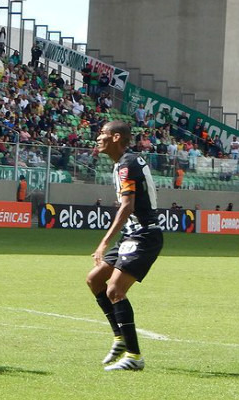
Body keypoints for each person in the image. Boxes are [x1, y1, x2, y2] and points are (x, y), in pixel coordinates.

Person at [86, 121, 163, 371]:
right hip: (132, 234)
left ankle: (134, 356)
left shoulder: (128, 164)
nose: (98, 138)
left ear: (116, 137)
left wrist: (104, 241)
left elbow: (128, 206)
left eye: (103, 134)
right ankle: (120, 336)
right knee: (95, 280)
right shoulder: (123, 163)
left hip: (143, 235)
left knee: (115, 290)